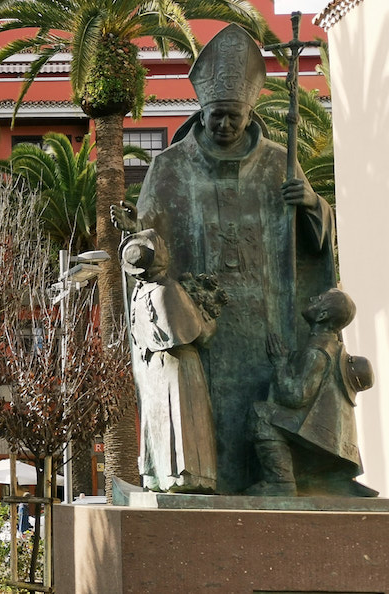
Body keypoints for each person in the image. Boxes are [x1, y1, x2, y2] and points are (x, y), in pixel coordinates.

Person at [112, 24, 337, 493]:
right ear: (201, 109)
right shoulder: (168, 166)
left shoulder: (279, 161)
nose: (225, 125)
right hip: (203, 323)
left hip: (265, 323)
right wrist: (138, 239)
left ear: (250, 110)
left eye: (234, 115)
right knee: (208, 421)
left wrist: (312, 203)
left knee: (262, 418)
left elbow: (317, 242)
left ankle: (274, 484)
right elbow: (146, 247)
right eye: (216, 115)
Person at [248, 289, 377, 497]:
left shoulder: (317, 352)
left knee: (260, 415)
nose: (312, 298)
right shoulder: (335, 348)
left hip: (322, 436)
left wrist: (280, 364)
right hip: (336, 438)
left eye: (318, 299)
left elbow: (294, 396)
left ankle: (280, 482)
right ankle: (331, 480)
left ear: (323, 315)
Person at [122, 230, 221, 493]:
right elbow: (202, 335)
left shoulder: (138, 294)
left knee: (158, 419)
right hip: (179, 366)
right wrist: (212, 316)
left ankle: (157, 475)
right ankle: (185, 477)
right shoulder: (169, 290)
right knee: (182, 417)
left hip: (152, 368)